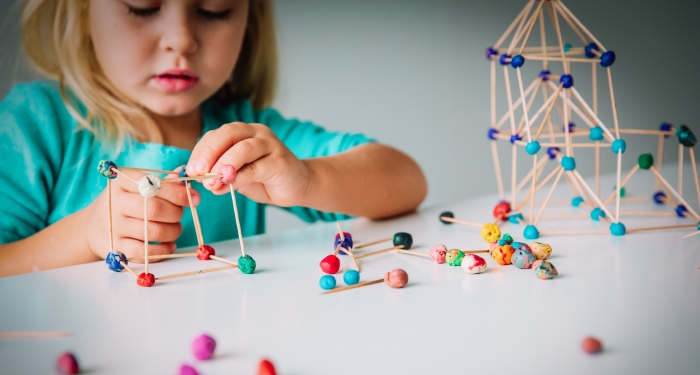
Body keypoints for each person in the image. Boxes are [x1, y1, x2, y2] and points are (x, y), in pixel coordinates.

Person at [0, 0, 427, 277]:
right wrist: (86, 235)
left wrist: (308, 179)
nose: (181, 39)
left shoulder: (246, 134)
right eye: (143, 5)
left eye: (214, 8)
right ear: (80, 11)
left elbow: (407, 181)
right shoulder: (36, 124)